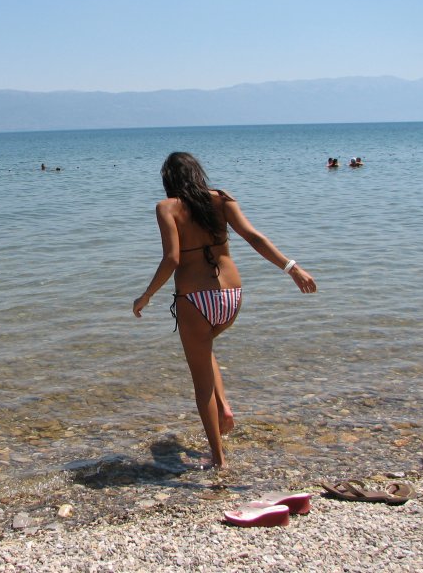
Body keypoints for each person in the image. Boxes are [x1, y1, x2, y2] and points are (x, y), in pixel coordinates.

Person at [133, 152, 316, 469]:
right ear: (197, 173)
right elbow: (254, 237)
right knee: (205, 349)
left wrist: (146, 295)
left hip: (194, 300)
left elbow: (172, 258)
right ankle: (225, 407)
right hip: (231, 297)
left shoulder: (166, 207)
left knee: (201, 386)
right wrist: (292, 268)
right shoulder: (222, 198)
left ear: (168, 181)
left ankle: (219, 460)